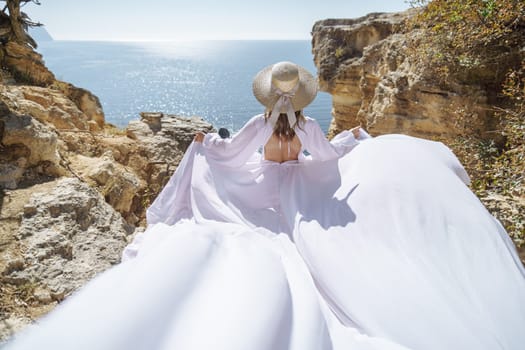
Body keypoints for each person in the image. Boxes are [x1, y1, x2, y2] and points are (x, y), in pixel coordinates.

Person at [3, 62, 525, 350]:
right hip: (294, 192)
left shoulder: (257, 125)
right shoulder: (310, 126)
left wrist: (206, 144)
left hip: (258, 190)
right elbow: (326, 155)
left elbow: (229, 153)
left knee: (215, 177)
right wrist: (354, 141)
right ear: (301, 99)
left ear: (266, 98)